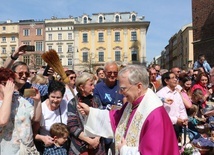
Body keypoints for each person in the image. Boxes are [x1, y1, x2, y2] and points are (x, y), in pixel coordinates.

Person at [77, 65, 180, 155]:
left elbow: (153, 152)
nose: (121, 93)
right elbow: (113, 119)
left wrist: (125, 150)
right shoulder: (132, 103)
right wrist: (90, 111)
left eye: (123, 88)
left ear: (139, 86)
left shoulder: (154, 113)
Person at [0, 67, 41, 154]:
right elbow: (2, 121)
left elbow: (36, 118)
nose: (9, 87)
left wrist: (37, 101)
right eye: (5, 84)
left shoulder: (19, 100)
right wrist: (7, 95)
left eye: (11, 83)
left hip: (26, 151)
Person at [67, 72, 105, 155]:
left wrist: (96, 139)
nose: (93, 87)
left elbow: (102, 120)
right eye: (91, 85)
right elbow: (72, 126)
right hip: (80, 147)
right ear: (82, 87)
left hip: (97, 145)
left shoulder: (96, 100)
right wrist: (90, 141)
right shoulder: (72, 103)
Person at [93, 61, 124, 154]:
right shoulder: (98, 88)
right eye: (110, 72)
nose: (112, 75)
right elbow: (96, 107)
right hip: (105, 125)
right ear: (105, 73)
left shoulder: (122, 85)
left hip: (120, 124)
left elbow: (127, 103)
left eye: (115, 73)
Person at [33, 80, 67, 153]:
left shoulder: (65, 104)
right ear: (48, 95)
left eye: (58, 97)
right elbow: (33, 134)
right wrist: (42, 138)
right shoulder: (42, 109)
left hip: (64, 147)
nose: (55, 100)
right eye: (53, 97)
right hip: (48, 149)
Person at [156, 72, 188, 140]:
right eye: (173, 78)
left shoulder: (177, 93)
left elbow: (181, 108)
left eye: (176, 77)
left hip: (177, 126)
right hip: (165, 126)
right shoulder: (160, 94)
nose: (175, 79)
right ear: (166, 81)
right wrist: (176, 120)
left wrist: (184, 119)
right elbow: (160, 114)